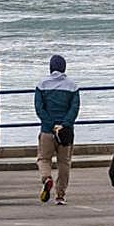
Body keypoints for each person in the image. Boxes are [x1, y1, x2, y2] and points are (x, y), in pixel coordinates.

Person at [34, 54, 80, 205]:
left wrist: (51, 124)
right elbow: (74, 109)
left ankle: (47, 178)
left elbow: (39, 108)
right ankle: (60, 195)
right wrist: (64, 124)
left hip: (47, 130)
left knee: (43, 159)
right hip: (65, 132)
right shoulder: (72, 86)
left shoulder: (42, 85)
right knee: (64, 163)